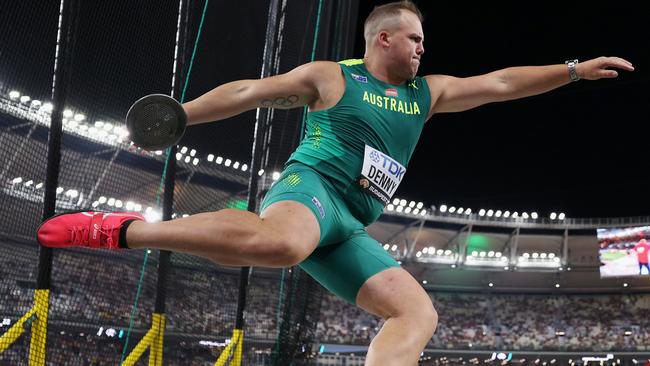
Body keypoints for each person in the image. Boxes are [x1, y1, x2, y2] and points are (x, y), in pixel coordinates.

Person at [37, 1, 634, 364]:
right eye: (416, 38)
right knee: (285, 244)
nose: (424, 48)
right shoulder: (332, 77)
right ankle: (124, 230)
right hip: (312, 189)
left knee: (416, 315)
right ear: (384, 38)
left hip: (351, 223)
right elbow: (249, 92)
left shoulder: (429, 94)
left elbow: (502, 83)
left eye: (425, 41)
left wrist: (574, 70)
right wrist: (183, 115)